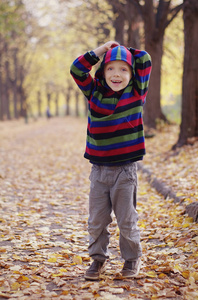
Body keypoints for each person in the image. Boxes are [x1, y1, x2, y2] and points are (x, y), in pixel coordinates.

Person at [70, 41, 152, 280]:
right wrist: (103, 49)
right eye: (111, 69)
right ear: (102, 71)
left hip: (125, 171)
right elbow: (77, 69)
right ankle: (97, 260)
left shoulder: (137, 91)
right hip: (99, 170)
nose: (117, 74)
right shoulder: (94, 91)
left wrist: (125, 49)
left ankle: (131, 259)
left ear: (132, 73)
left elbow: (145, 58)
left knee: (127, 220)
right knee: (97, 220)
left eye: (124, 69)